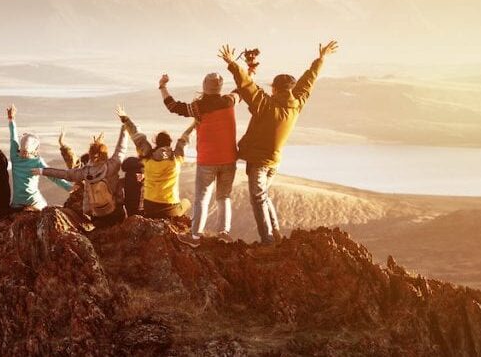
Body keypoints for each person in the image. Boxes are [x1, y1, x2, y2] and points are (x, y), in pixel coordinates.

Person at [219, 40, 339, 246]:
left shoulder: (266, 105)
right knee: (263, 197)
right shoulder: (297, 104)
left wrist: (232, 63)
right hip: (274, 162)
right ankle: (275, 233)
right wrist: (321, 59)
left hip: (259, 162)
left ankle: (267, 241)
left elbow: (247, 86)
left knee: (258, 199)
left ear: (274, 89)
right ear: (290, 90)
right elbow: (308, 81)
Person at [160, 72, 240, 247]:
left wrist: (163, 87)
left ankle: (195, 237)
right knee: (224, 196)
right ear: (219, 87)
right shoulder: (229, 101)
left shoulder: (198, 107)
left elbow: (173, 106)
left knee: (202, 198)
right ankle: (224, 233)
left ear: (205, 87)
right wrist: (248, 70)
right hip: (229, 158)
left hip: (208, 159)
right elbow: (241, 89)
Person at [35, 125, 129, 227]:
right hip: (115, 212)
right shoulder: (111, 167)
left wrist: (42, 170)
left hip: (96, 215)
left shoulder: (85, 172)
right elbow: (120, 149)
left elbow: (67, 171)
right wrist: (125, 127)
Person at [118, 105, 191, 219]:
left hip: (149, 206)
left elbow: (137, 136)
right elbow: (184, 139)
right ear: (169, 143)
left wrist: (125, 119)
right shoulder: (176, 159)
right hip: (170, 208)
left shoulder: (147, 157)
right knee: (186, 202)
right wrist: (195, 125)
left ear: (156, 142)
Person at [7, 104, 72, 210]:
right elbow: (54, 177)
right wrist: (70, 188)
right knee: (47, 210)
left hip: (17, 203)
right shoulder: (37, 162)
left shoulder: (15, 156)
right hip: (34, 201)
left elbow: (13, 137)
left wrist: (11, 118)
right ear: (35, 149)